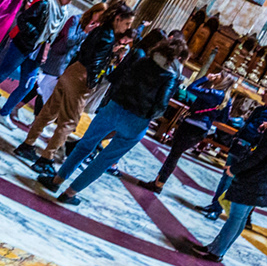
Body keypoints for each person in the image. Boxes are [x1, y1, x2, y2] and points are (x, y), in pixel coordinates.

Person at [41, 33, 186, 205]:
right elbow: (161, 105)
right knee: (105, 160)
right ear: (177, 58)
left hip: (115, 108)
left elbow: (122, 81)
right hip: (136, 121)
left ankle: (56, 181)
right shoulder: (170, 77)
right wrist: (147, 115)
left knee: (85, 145)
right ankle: (70, 193)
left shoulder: (143, 61)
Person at [15, 3, 133, 167]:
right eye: (127, 23)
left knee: (49, 111)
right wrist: (92, 82)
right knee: (69, 121)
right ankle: (46, 159)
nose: (128, 28)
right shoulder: (108, 36)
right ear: (118, 19)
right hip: (82, 77)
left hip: (73, 70)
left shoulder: (99, 29)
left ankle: (27, 144)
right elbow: (95, 62)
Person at [195, 100, 267, 261]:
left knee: (236, 217)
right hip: (265, 181)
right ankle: (216, 247)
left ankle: (217, 252)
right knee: (240, 218)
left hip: (254, 180)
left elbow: (258, 157)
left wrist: (234, 169)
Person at [142, 70, 235, 190]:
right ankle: (158, 181)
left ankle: (159, 184)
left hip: (190, 126)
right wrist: (210, 116)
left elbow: (191, 88)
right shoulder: (227, 100)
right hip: (202, 130)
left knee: (174, 155)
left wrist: (206, 78)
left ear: (222, 80)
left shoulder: (214, 93)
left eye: (218, 75)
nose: (215, 75)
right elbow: (223, 119)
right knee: (175, 154)